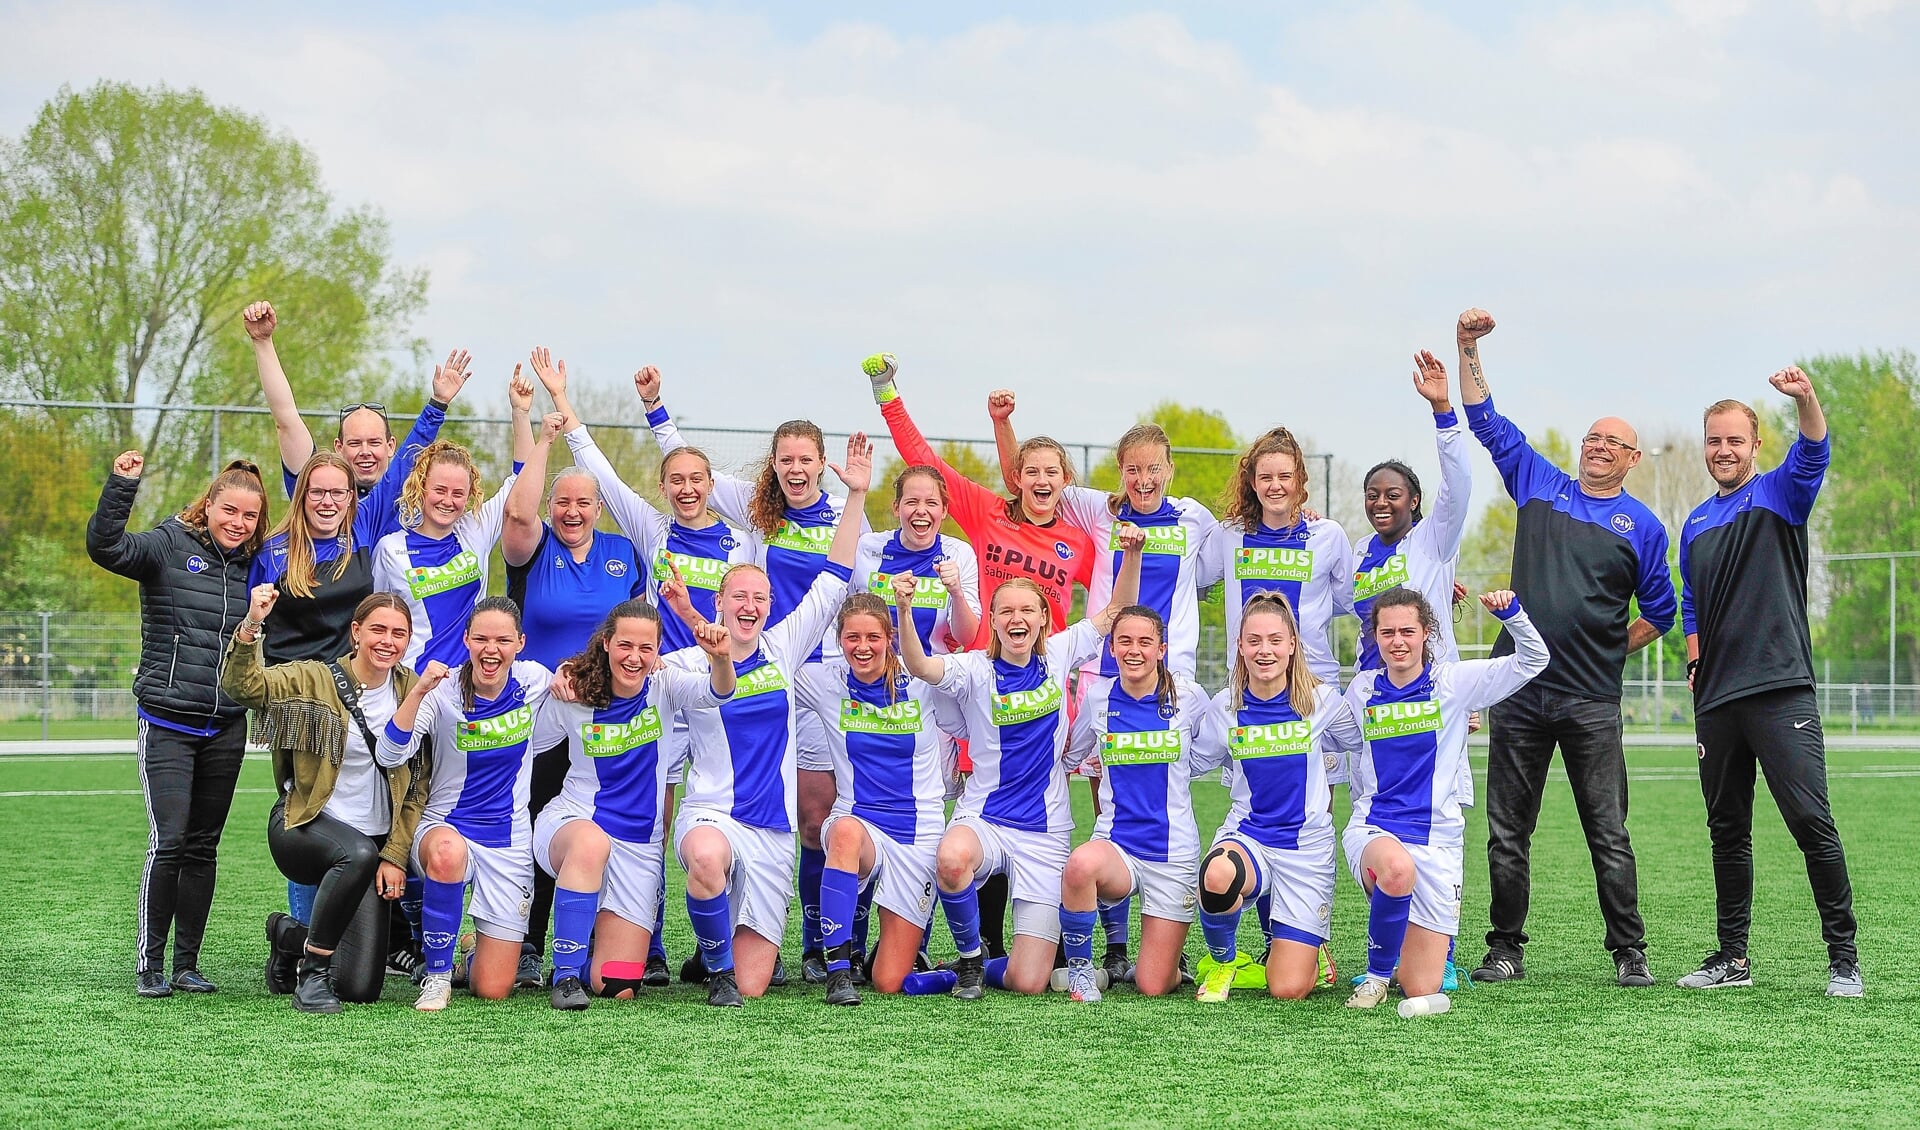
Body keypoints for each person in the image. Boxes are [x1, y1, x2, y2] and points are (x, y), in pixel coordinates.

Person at [1455, 309, 1677, 989]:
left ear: (1633, 460)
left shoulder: (1640, 526)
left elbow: (1660, 615)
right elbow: (1484, 419)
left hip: (1591, 702)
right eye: (1592, 437)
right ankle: (1505, 949)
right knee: (1507, 833)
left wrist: (1610, 651)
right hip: (1519, 695)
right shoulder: (1539, 484)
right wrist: (1466, 347)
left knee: (1607, 832)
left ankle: (1628, 952)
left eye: (1614, 442)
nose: (1599, 447)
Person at [636, 364, 865, 985]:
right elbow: (689, 472)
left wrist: (863, 495)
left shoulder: (788, 635)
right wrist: (655, 409)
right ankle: (694, 956)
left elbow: (839, 578)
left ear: (821, 462)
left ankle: (819, 946)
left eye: (805, 458)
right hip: (717, 797)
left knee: (821, 819)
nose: (795, 468)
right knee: (689, 839)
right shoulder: (755, 511)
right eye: (785, 458)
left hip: (817, 679)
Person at [864, 353, 1095, 961]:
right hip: (977, 680)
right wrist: (888, 392)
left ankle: (1080, 936)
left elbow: (1114, 597)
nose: (1041, 481)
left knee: (1043, 792)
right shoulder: (989, 513)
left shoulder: (1080, 540)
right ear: (1017, 476)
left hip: (1044, 681)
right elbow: (926, 465)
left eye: (1054, 472)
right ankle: (979, 941)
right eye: (1031, 470)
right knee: (968, 796)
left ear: (1065, 480)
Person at [893, 528, 1145, 998]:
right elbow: (922, 666)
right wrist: (905, 612)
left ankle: (954, 973)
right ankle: (969, 961)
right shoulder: (975, 668)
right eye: (1006, 610)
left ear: (1044, 618)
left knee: (1029, 982)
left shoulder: (1061, 651)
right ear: (992, 620)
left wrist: (1130, 555)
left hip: (1044, 832)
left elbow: (1116, 613)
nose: (1017, 618)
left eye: (1027, 609)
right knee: (951, 857)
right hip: (983, 819)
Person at [1677, 367, 1860, 996]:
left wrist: (1806, 399)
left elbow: (1814, 450)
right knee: (1727, 831)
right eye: (1713, 441)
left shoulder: (1781, 495)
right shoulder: (1695, 523)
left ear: (1755, 446)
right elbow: (1690, 603)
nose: (1722, 451)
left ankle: (1843, 960)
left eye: (1734, 440)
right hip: (1717, 701)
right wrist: (1697, 658)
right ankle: (1733, 958)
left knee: (1812, 823)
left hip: (1781, 691)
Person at [88, 451, 268, 998]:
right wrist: (122, 484)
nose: (238, 523)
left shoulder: (257, 567)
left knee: (203, 847)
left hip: (225, 727)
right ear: (208, 505)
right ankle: (151, 963)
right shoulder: (168, 545)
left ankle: (188, 964)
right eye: (228, 510)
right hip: (166, 722)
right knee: (169, 841)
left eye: (249, 516)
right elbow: (106, 547)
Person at [1197, 425, 1356, 980]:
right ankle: (1262, 938)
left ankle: (1306, 931)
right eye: (1265, 476)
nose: (1275, 485)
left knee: (1312, 804)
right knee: (1257, 794)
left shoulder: (1328, 536)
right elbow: (1187, 581)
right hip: (1253, 687)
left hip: (1313, 690)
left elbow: (1352, 598)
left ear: (1301, 482)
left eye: (1285, 476)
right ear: (1252, 481)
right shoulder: (1229, 535)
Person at [1343, 586, 1548, 1014]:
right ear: (1375, 638)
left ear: (1426, 633)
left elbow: (1534, 659)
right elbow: (1334, 737)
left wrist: (1513, 615)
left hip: (1438, 842)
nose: (1397, 641)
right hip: (1376, 829)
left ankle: (1400, 961)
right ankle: (1375, 979)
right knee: (1397, 870)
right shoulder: (1361, 689)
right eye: (1387, 633)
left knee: (1421, 988)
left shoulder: (1454, 683)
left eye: (1407, 631)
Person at [220, 589, 426, 1013]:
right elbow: (243, 685)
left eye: (398, 633)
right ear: (356, 632)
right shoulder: (314, 679)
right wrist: (252, 625)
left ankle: (289, 937)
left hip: (371, 848)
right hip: (302, 827)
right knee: (356, 852)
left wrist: (396, 854)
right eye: (378, 629)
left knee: (360, 987)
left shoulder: (413, 690)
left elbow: (417, 784)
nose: (388, 640)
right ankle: (312, 975)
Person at [501, 402, 649, 990]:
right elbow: (517, 508)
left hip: (606, 713)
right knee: (539, 819)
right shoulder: (533, 548)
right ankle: (532, 942)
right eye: (562, 500)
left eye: (583, 501)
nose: (572, 510)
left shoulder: (624, 554)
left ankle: (618, 938)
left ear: (597, 507)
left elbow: (641, 626)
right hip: (545, 711)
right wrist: (541, 436)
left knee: (623, 818)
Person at [530, 598, 735, 1010]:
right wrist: (551, 680)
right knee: (590, 844)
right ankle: (566, 977)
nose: (635, 657)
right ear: (606, 643)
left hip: (638, 846)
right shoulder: (573, 693)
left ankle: (585, 945)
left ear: (658, 651)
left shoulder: (665, 686)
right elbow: (525, 746)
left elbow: (718, 692)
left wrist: (721, 658)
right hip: (576, 823)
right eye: (625, 645)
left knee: (616, 984)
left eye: (646, 648)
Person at [380, 597, 557, 1011]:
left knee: (492, 988)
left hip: (507, 841)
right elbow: (390, 754)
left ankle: (471, 953)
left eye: (502, 640)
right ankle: (437, 976)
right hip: (446, 827)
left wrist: (569, 677)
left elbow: (576, 695)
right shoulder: (442, 692)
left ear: (520, 643)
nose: (490, 649)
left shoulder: (534, 681)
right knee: (447, 853)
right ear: (466, 640)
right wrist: (419, 690)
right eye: (480, 638)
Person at [1193, 592, 1362, 1004]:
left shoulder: (1320, 701)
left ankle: (1307, 945)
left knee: (1288, 989)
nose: (1264, 650)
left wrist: (1446, 718)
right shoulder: (1225, 707)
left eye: (1274, 640)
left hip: (1305, 850)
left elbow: (1363, 739)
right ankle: (1223, 961)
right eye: (1254, 641)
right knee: (1217, 876)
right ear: (1240, 647)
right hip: (1249, 836)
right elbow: (1193, 763)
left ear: (1292, 646)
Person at [794, 591, 956, 1004]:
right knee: (844, 832)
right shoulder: (824, 682)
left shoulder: (923, 683)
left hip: (916, 835)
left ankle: (962, 971)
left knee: (889, 980)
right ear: (839, 640)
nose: (862, 648)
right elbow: (764, 665)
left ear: (890, 638)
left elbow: (973, 710)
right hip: (858, 820)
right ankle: (838, 971)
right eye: (852, 638)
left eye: (872, 637)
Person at [1058, 605, 1223, 1001]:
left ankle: (1165, 962)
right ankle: (1080, 971)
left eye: (1145, 642)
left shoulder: (1189, 696)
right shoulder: (1098, 698)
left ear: (1162, 648)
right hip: (1119, 847)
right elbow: (1070, 754)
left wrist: (1178, 763)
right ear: (1111, 648)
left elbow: (1214, 748)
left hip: (1173, 854)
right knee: (1081, 864)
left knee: (1152, 985)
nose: (1134, 650)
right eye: (1124, 641)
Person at [372, 368, 534, 670]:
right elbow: (378, 621)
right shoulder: (390, 549)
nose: (448, 501)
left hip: (466, 686)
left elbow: (522, 479)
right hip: (412, 684)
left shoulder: (475, 530)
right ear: (421, 488)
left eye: (458, 493)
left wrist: (520, 413)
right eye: (440, 490)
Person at [243, 299, 467, 509]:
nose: (365, 452)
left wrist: (438, 403)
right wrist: (262, 342)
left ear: (390, 446)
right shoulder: (318, 494)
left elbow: (415, 447)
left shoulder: (398, 499)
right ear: (338, 448)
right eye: (355, 443)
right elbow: (286, 419)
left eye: (374, 442)